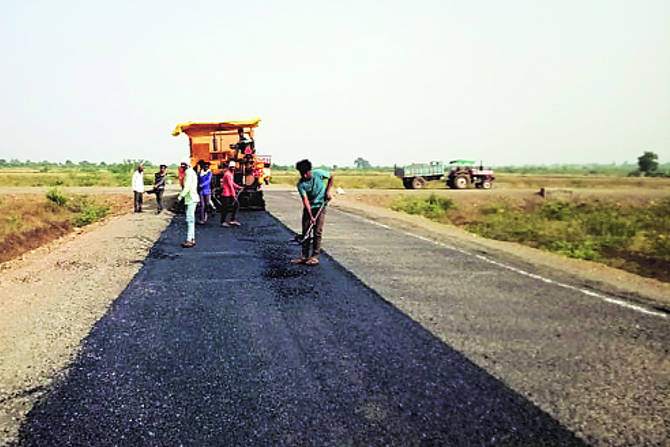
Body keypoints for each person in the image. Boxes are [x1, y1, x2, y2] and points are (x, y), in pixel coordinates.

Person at [293, 159, 333, 266]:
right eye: (302, 173)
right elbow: (305, 200)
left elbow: (331, 177)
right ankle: (304, 255)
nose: (305, 175)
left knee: (317, 231)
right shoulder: (301, 184)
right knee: (306, 231)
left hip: (321, 205)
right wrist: (311, 216)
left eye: (306, 172)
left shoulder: (319, 174)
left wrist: (327, 192)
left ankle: (315, 256)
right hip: (309, 207)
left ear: (310, 170)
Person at [177, 159, 199, 247]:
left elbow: (187, 187)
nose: (182, 166)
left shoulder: (188, 173)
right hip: (192, 198)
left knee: (189, 220)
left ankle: (189, 240)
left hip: (191, 198)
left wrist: (180, 197)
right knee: (191, 219)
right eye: (181, 164)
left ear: (188, 165)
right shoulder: (191, 172)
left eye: (184, 164)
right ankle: (192, 238)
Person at [220, 161, 243, 227]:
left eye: (233, 167)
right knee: (225, 208)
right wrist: (234, 195)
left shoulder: (230, 174)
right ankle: (223, 221)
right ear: (229, 167)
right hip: (226, 194)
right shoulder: (228, 174)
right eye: (232, 167)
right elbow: (230, 185)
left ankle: (232, 219)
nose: (233, 168)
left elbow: (232, 183)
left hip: (229, 193)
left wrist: (238, 187)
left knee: (235, 205)